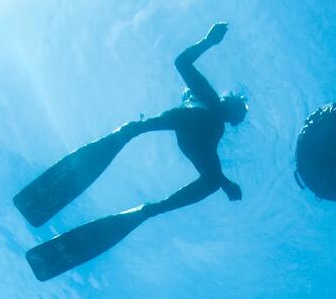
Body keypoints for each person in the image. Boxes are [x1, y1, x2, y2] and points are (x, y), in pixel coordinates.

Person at [16, 23, 247, 281]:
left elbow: (209, 160)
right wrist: (209, 40)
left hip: (195, 136)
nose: (237, 115)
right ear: (230, 103)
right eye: (238, 109)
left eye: (239, 115)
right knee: (209, 173)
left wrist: (224, 182)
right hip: (192, 121)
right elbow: (181, 62)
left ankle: (148, 201)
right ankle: (132, 134)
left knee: (213, 180)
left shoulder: (218, 122)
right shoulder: (211, 99)